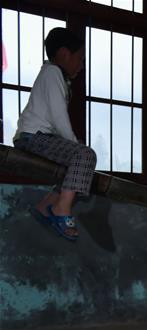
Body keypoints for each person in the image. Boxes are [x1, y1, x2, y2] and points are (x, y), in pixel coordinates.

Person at [14, 27, 95, 242]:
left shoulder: (52, 74)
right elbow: (59, 115)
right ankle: (61, 210)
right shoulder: (52, 72)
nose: (81, 64)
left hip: (38, 137)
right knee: (85, 156)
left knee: (76, 160)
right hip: (33, 137)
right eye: (79, 58)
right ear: (63, 54)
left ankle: (47, 204)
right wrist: (75, 145)